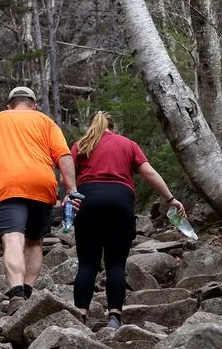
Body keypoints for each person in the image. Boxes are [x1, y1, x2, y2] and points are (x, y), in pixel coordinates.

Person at [0, 86, 79, 314]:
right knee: (34, 242)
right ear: (33, 105)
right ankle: (27, 290)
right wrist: (71, 189)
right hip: (42, 185)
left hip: (8, 186)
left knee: (13, 239)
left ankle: (16, 295)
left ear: (9, 105)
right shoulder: (45, 121)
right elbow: (64, 156)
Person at [71, 111, 186, 328]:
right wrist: (171, 199)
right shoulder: (127, 144)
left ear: (91, 126)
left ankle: (80, 315)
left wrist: (68, 196)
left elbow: (65, 177)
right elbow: (149, 173)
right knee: (116, 263)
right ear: (113, 128)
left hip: (88, 201)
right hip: (120, 201)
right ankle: (114, 317)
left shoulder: (81, 145)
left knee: (87, 263)